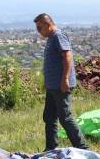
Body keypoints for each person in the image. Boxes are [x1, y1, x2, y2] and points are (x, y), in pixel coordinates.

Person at [34, 13, 88, 151]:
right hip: (52, 86)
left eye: (40, 28)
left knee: (65, 117)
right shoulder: (51, 38)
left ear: (48, 24)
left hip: (61, 86)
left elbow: (67, 56)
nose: (38, 31)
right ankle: (51, 148)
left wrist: (65, 79)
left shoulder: (58, 36)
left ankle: (83, 148)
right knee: (49, 117)